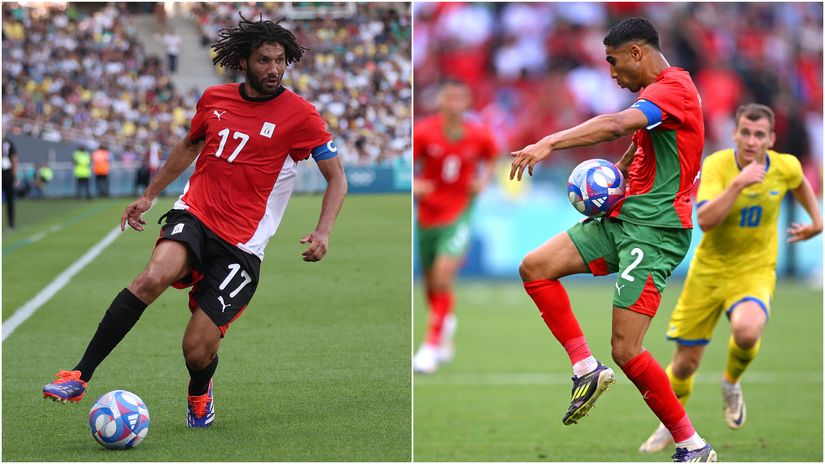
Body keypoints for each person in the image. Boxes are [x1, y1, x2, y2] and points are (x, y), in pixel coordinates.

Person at [43, 14, 348, 429]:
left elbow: (337, 177)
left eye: (280, 60)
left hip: (242, 245)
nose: (274, 69)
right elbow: (190, 145)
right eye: (264, 60)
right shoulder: (214, 99)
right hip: (195, 214)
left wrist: (324, 230)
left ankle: (200, 390)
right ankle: (78, 375)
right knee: (151, 277)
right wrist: (149, 195)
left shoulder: (301, 115)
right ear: (244, 61)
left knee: (196, 349)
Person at [509, 18, 716, 462]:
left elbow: (617, 124)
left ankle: (692, 445)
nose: (612, 73)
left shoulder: (674, 88)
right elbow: (641, 138)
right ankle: (586, 368)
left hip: (656, 230)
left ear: (637, 53)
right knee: (535, 267)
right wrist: (619, 172)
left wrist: (550, 142)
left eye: (614, 61)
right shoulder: (657, 95)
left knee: (626, 349)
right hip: (623, 216)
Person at [639, 103, 823, 452]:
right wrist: (738, 184)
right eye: (746, 133)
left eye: (759, 135)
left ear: (771, 139)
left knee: (747, 330)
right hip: (709, 272)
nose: (751, 141)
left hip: (754, 270)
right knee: (685, 363)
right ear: (735, 134)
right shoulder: (717, 165)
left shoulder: (785, 166)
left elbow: (800, 183)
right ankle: (670, 424)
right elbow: (706, 221)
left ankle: (731, 382)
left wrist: (817, 222)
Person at [412, 81, 497, 374]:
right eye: (449, 98)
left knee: (443, 273)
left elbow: (492, 156)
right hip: (428, 214)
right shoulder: (424, 131)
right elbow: (409, 165)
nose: (454, 104)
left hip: (459, 213)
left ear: (467, 102)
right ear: (441, 101)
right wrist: (415, 184)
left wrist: (484, 180)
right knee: (431, 282)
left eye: (460, 98)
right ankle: (445, 323)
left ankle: (431, 345)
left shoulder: (479, 134)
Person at [2, 137, 18, 230]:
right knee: (10, 200)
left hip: (7, 174)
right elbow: (14, 160)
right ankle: (11, 224)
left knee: (10, 200)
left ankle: (11, 223)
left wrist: (14, 176)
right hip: (7, 174)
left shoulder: (8, 143)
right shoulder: (8, 142)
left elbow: (14, 159)